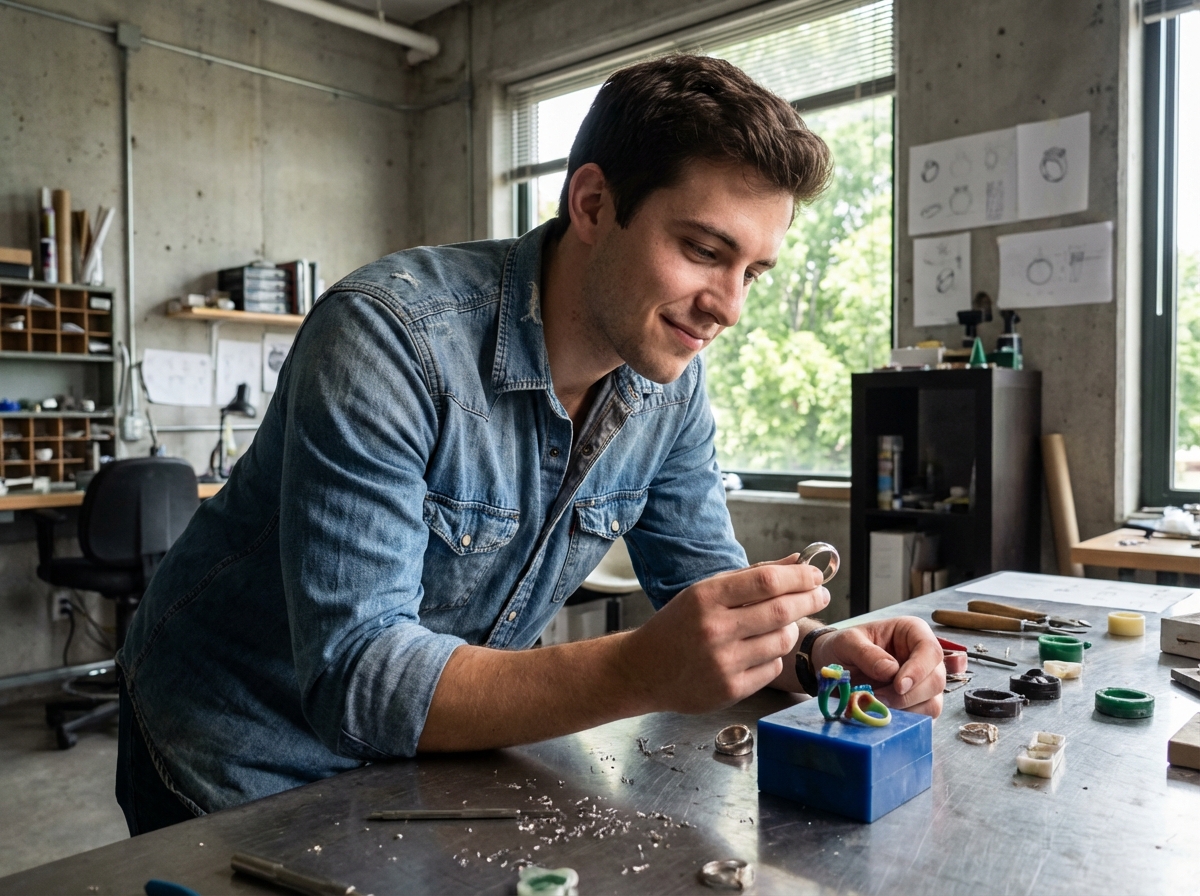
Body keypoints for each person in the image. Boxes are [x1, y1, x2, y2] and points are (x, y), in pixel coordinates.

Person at [114, 54, 945, 835]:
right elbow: (358, 676)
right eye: (703, 250)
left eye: (753, 271)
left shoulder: (670, 381)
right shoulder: (389, 338)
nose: (729, 307)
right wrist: (638, 671)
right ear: (592, 204)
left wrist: (819, 654)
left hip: (425, 756)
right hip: (234, 750)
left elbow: (705, 584)